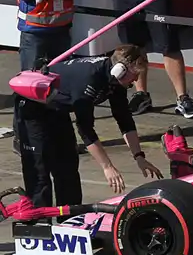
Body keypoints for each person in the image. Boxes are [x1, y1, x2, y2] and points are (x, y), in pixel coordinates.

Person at [14, 44, 164, 210]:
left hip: (57, 108)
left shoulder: (115, 80)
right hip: (32, 108)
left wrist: (139, 157)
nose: (135, 80)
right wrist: (107, 167)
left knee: (67, 165)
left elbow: (124, 119)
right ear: (120, 70)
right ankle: (39, 218)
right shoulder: (91, 80)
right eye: (134, 75)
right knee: (39, 168)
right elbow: (85, 129)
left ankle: (70, 216)